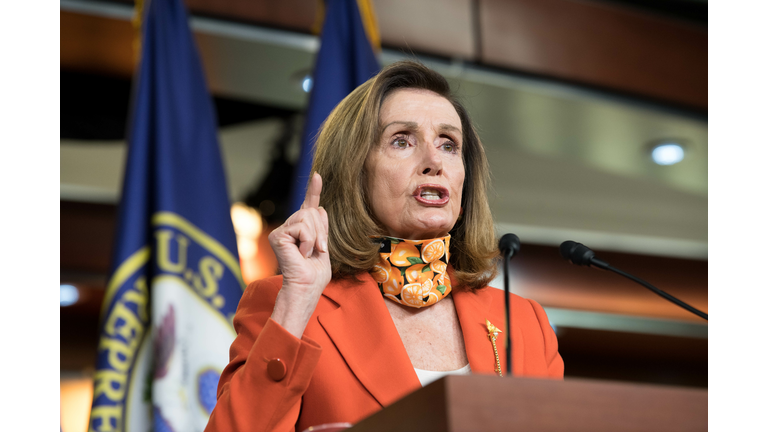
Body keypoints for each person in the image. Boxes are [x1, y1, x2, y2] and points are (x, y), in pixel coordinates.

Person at [205, 61, 564, 432]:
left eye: (449, 144)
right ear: (355, 169)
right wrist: (297, 302)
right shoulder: (289, 303)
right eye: (401, 141)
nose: (433, 161)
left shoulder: (523, 322)